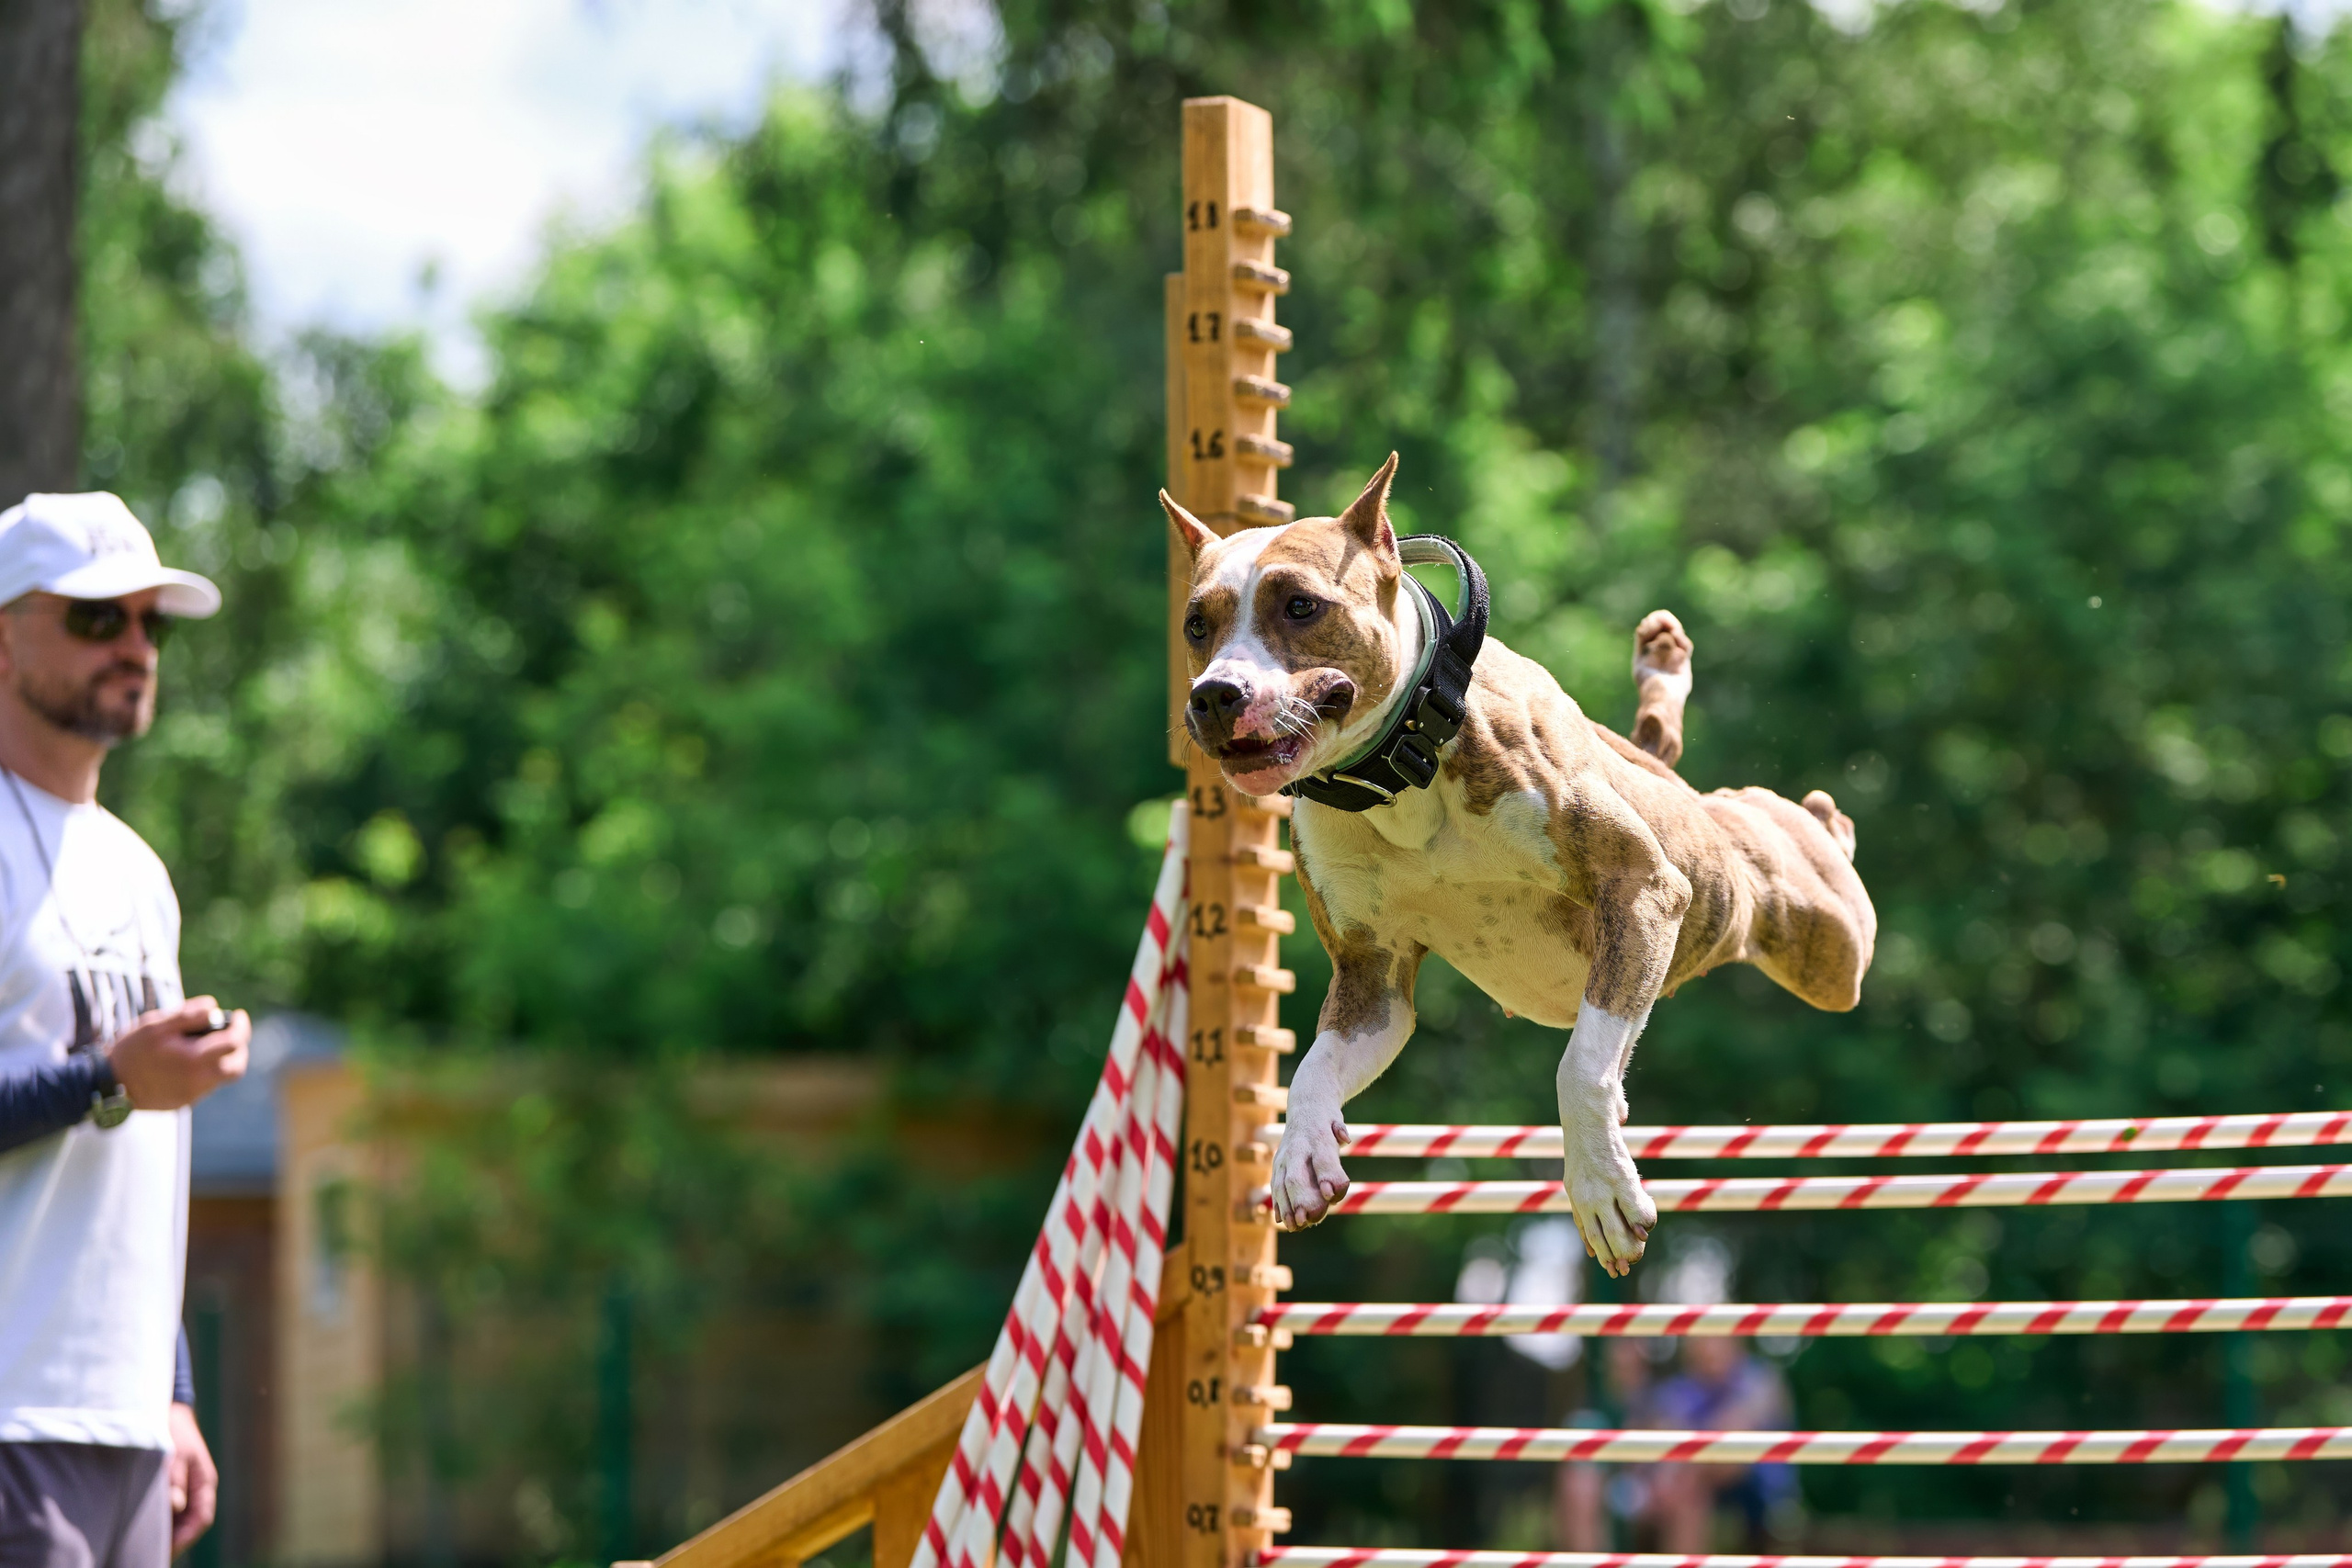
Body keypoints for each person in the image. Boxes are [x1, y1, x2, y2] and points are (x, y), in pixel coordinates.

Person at [0, 492, 253, 1566]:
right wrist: (109, 1081)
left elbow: (135, 1160)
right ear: (3, 638)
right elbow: (114, 1096)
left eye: (152, 623)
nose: (136, 647)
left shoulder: (139, 872)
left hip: (125, 1429)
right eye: (98, 618)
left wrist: (172, 1389)